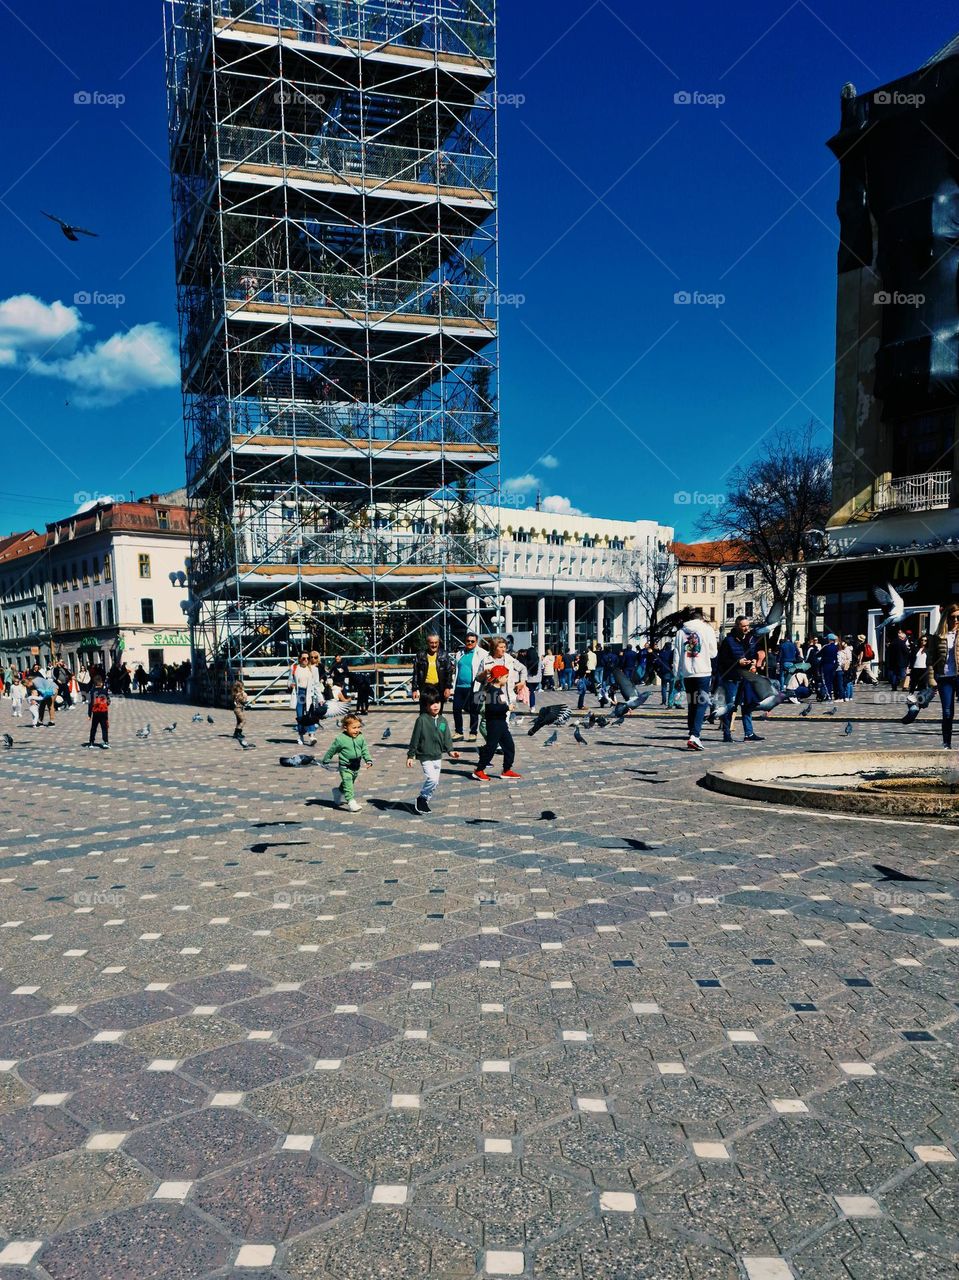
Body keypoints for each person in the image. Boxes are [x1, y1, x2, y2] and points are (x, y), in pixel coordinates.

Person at [407, 695, 461, 814]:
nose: (435, 705)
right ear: (426, 706)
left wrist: (451, 751)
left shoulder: (443, 720)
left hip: (437, 756)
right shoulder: (421, 720)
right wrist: (411, 755)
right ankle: (422, 798)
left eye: (437, 702)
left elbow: (446, 737)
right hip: (425, 755)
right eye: (432, 703)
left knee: (435, 782)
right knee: (431, 779)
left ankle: (424, 801)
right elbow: (415, 738)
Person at [716, 616, 763, 743]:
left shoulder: (748, 640)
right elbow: (722, 661)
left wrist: (752, 661)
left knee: (747, 705)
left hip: (745, 677)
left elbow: (751, 654)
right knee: (730, 707)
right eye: (743, 626)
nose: (746, 628)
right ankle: (727, 734)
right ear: (737, 626)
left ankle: (749, 733)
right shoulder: (728, 641)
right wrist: (737, 662)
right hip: (731, 678)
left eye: (748, 625)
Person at [473, 664, 521, 781]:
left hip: (501, 723)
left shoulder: (499, 690)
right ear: (499, 678)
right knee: (491, 748)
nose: (507, 679)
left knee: (509, 746)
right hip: (494, 724)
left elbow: (500, 705)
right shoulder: (491, 691)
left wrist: (506, 707)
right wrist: (507, 708)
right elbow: (491, 709)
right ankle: (479, 770)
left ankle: (506, 770)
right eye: (506, 677)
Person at [679, 608, 718, 751]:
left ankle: (692, 734)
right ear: (701, 619)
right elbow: (713, 653)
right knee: (702, 703)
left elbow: (677, 653)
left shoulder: (681, 632)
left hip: (687, 673)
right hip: (703, 671)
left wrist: (678, 674)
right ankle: (695, 736)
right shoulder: (707, 629)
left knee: (692, 703)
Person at [321, 713, 373, 811]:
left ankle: (338, 791)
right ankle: (351, 802)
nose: (357, 730)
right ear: (345, 727)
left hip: (356, 766)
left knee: (348, 783)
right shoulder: (340, 739)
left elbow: (364, 749)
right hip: (345, 766)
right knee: (348, 783)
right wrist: (326, 760)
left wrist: (368, 759)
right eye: (354, 728)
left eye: (359, 727)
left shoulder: (360, 737)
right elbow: (332, 750)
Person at [927, 605, 959, 749]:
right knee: (947, 712)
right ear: (947, 617)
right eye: (953, 617)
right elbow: (930, 658)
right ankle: (947, 744)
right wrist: (931, 678)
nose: (956, 620)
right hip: (944, 677)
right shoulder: (937, 636)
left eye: (958, 617)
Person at [450, 632, 487, 741]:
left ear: (476, 642)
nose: (470, 643)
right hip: (460, 686)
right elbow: (456, 669)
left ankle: (473, 732)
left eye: (472, 641)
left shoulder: (482, 654)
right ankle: (459, 732)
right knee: (456, 709)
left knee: (474, 710)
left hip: (475, 686)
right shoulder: (459, 653)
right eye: (468, 641)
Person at [411, 631, 453, 710]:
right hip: (425, 688)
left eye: (436, 642)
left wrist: (448, 687)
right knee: (424, 712)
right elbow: (416, 673)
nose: (434, 645)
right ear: (427, 643)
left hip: (439, 688)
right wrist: (414, 689)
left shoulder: (444, 654)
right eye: (431, 643)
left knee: (437, 711)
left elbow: (449, 672)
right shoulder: (420, 655)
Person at [86, 675, 111, 749]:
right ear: (101, 683)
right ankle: (106, 742)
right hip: (103, 712)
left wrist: (89, 714)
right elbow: (108, 702)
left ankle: (91, 742)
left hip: (95, 712)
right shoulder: (104, 691)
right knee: (104, 727)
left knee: (93, 727)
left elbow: (90, 704)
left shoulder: (92, 692)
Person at [819, 634, 840, 702]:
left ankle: (828, 697)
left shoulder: (826, 647)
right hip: (833, 666)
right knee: (830, 682)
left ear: (829, 639)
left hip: (826, 666)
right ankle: (829, 696)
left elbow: (818, 654)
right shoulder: (836, 647)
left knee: (825, 681)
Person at [522, 646, 541, 710]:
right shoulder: (538, 660)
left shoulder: (526, 660)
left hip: (529, 679)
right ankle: (532, 706)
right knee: (532, 692)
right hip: (537, 679)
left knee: (531, 692)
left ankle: (532, 706)